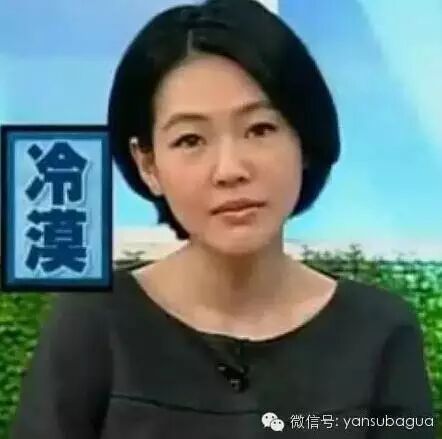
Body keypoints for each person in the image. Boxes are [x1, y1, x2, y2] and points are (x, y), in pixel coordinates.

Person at [10, 0, 436, 437]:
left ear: (304, 141)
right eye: (191, 140)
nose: (230, 170)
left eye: (260, 129)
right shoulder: (94, 323)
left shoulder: (380, 332)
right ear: (148, 164)